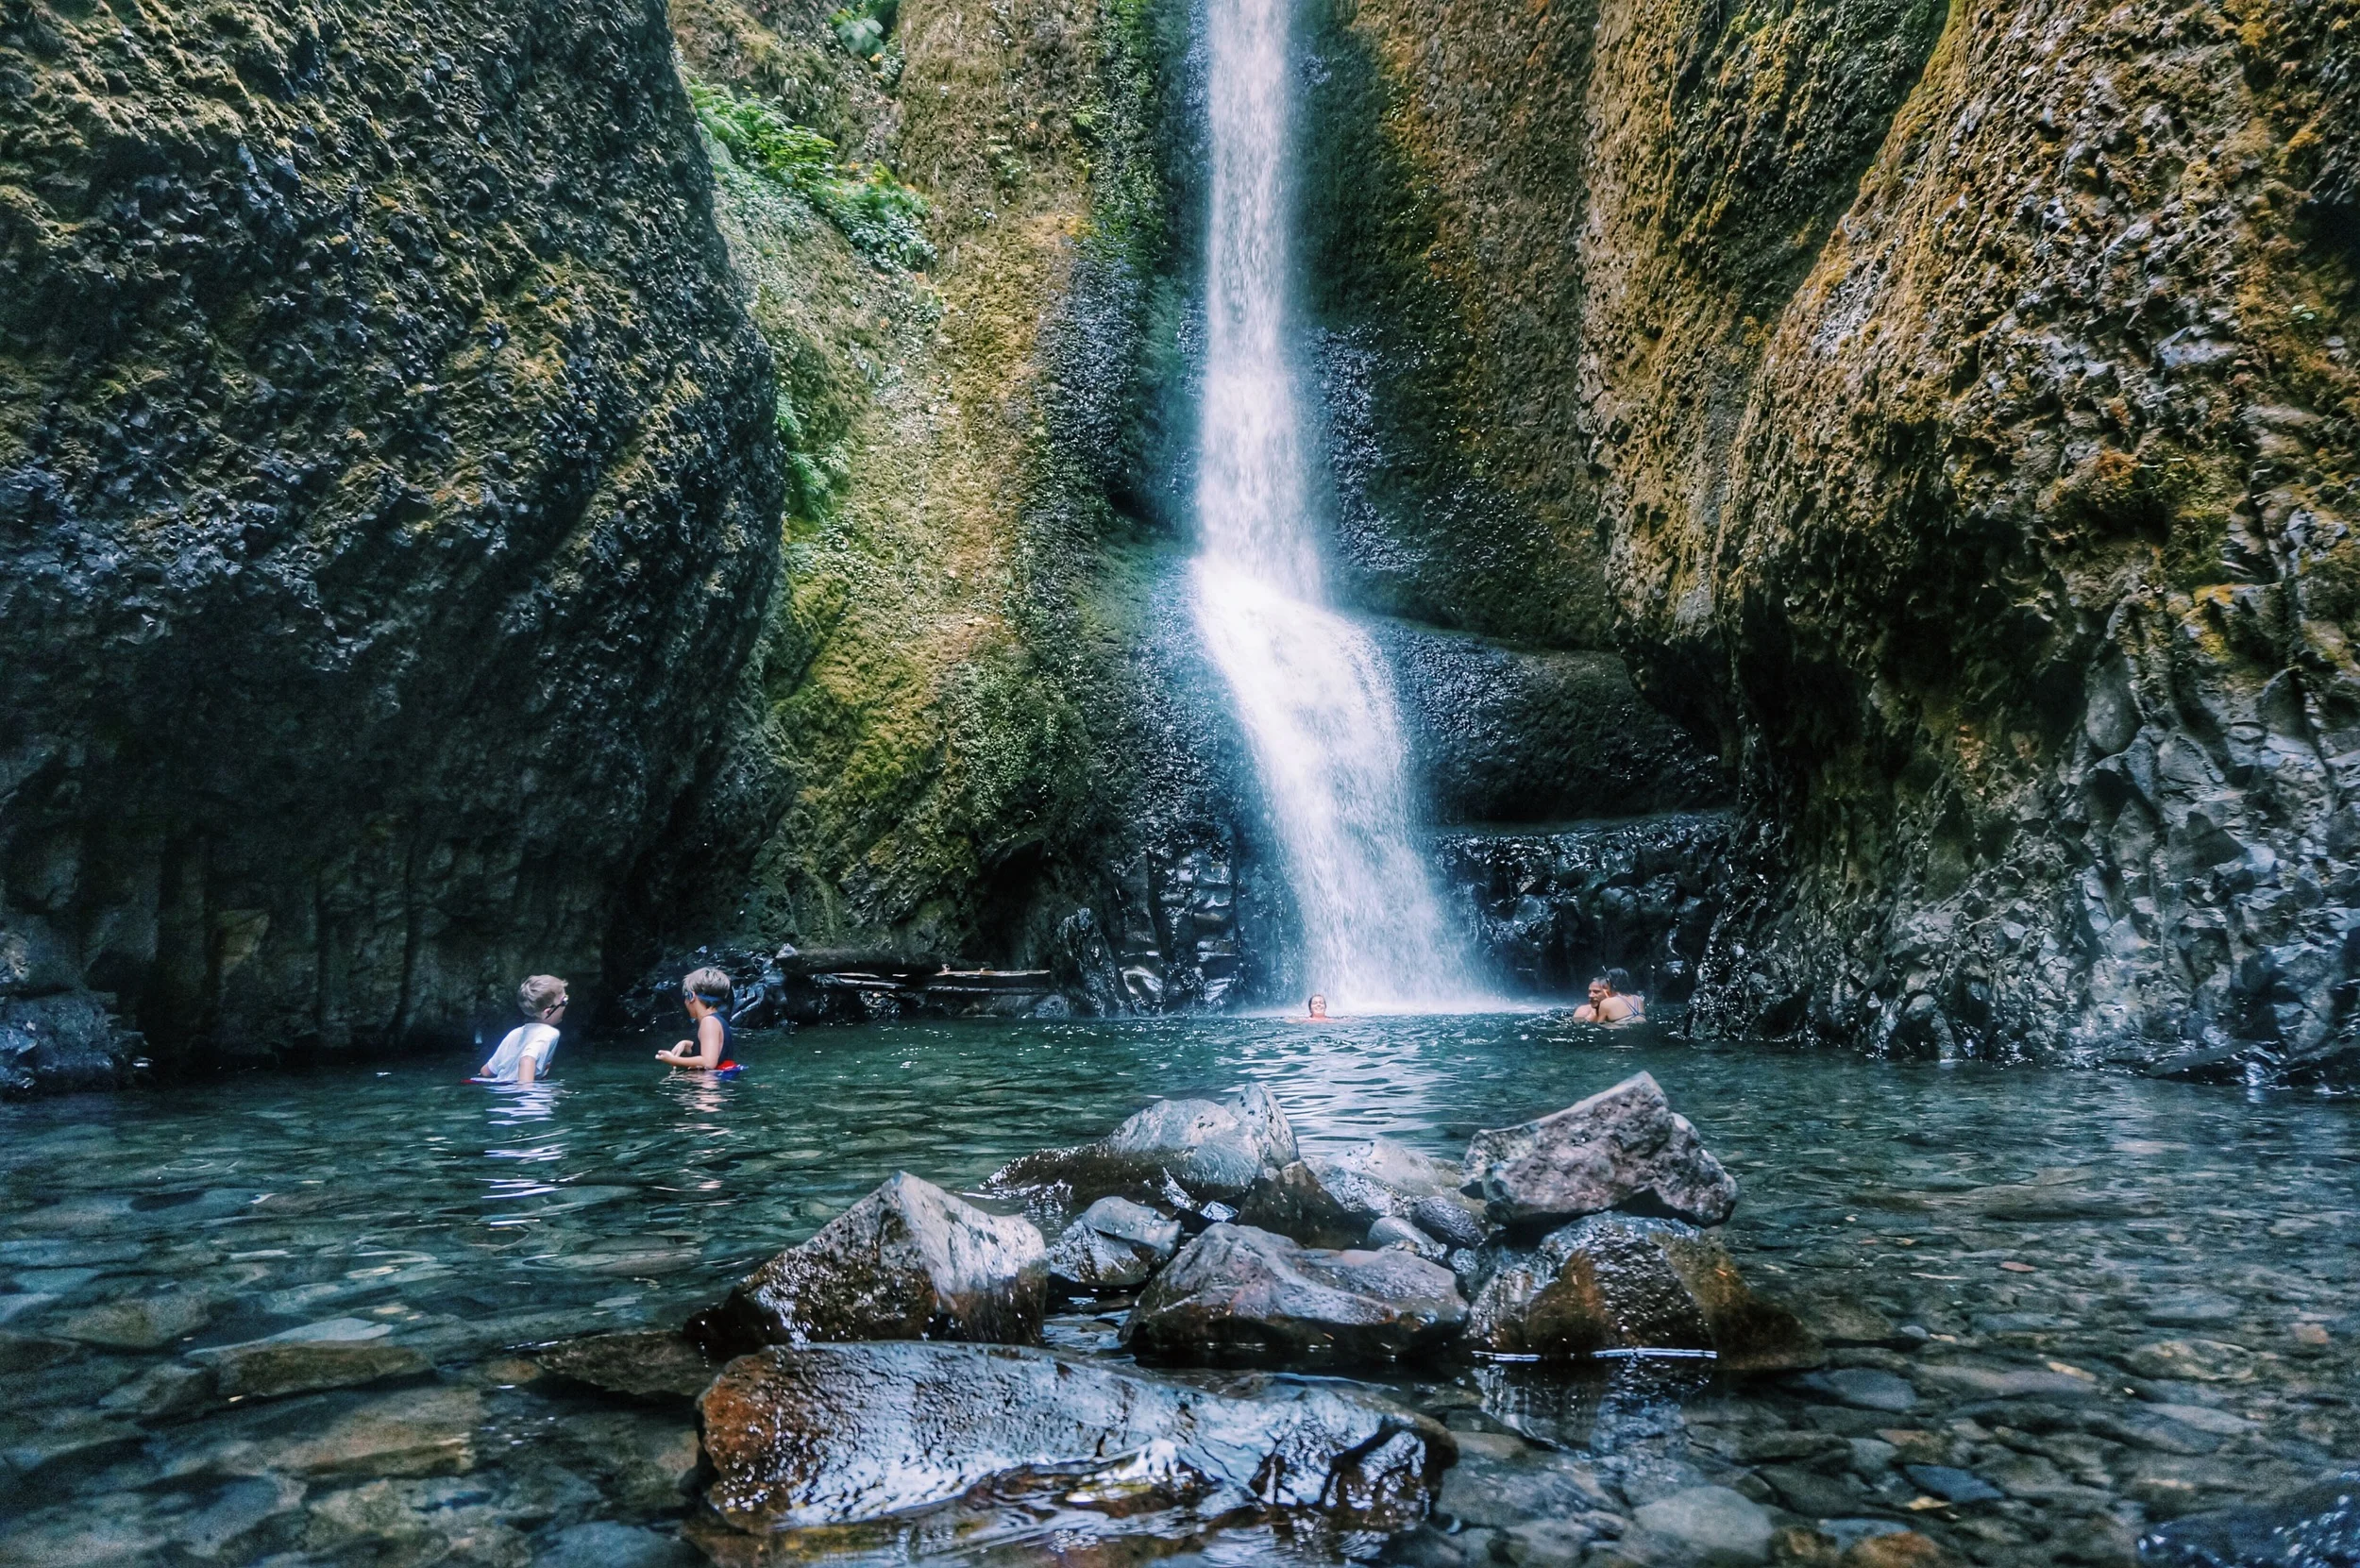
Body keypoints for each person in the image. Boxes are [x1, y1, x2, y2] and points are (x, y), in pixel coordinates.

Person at [476, 975, 567, 1084]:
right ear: (547, 1012)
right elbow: (527, 1060)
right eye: (564, 1001)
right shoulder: (549, 1033)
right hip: (519, 1092)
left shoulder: (514, 1034)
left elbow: (486, 1071)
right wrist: (527, 1095)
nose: (566, 1005)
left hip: (502, 1089)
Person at [656, 967, 736, 1072]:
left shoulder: (709, 1022)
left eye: (686, 996)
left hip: (710, 1084)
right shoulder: (717, 1019)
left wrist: (674, 1060)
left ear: (691, 996)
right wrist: (687, 1044)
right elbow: (714, 1050)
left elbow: (709, 1062)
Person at [1573, 969, 1644, 1023]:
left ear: (1609, 984)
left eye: (1596, 992)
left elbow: (1599, 1026)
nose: (1590, 995)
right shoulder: (1638, 999)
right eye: (1589, 992)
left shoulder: (1606, 1003)